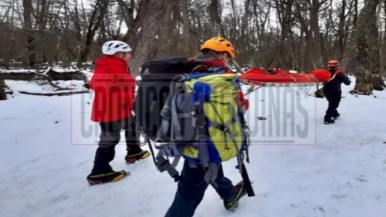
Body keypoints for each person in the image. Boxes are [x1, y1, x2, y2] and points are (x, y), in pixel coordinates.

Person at [164, 37, 249, 217]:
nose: (228, 61)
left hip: (189, 136)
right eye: (228, 57)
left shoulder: (187, 71)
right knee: (189, 191)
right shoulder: (223, 77)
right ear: (223, 55)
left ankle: (229, 194)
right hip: (205, 143)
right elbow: (240, 108)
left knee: (211, 166)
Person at [87, 40, 150, 185]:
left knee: (131, 125)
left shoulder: (114, 65)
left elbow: (95, 83)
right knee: (109, 139)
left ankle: (134, 151)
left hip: (121, 108)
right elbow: (105, 86)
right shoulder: (111, 67)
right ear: (120, 54)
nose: (131, 55)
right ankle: (99, 172)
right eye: (128, 53)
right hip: (110, 111)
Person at [323, 60, 351, 124]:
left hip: (326, 90)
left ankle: (335, 114)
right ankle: (327, 118)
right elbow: (347, 83)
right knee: (333, 105)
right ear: (337, 66)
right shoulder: (340, 73)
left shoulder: (325, 73)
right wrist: (344, 77)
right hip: (335, 91)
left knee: (331, 103)